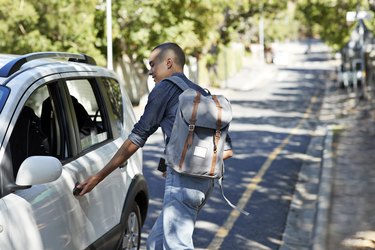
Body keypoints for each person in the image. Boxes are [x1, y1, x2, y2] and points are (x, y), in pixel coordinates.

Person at [77, 42, 233, 249]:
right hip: (206, 183)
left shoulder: (164, 89)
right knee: (156, 243)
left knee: (177, 245)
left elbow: (138, 136)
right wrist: (186, 161)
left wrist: (98, 177)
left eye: (152, 65)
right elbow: (227, 151)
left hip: (183, 183)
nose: (150, 71)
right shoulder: (200, 93)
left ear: (168, 63)